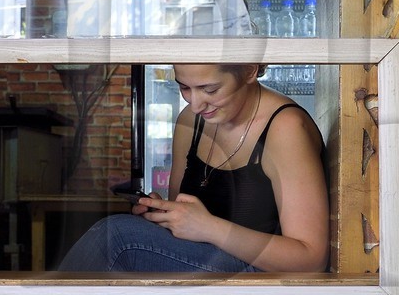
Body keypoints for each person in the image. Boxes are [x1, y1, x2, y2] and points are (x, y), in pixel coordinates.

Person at [57, 62, 328, 274]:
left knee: (117, 237)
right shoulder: (191, 120)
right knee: (121, 252)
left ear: (249, 71)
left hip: (263, 275)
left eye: (210, 90)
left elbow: (310, 260)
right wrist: (163, 215)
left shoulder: (286, 128)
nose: (195, 104)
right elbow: (183, 222)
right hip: (205, 261)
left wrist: (208, 227)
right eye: (184, 87)